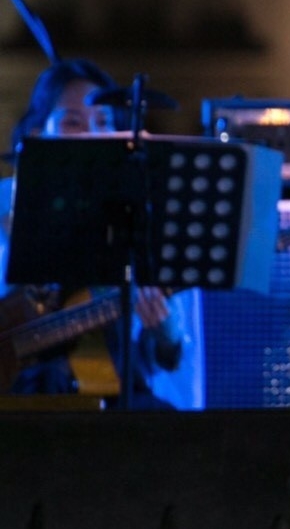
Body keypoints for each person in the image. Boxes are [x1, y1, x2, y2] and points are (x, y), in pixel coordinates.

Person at [0, 58, 204, 410]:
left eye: (102, 122)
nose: (90, 135)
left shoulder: (137, 216)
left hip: (118, 399)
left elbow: (170, 360)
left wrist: (165, 330)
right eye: (72, 122)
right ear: (36, 132)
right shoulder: (6, 203)